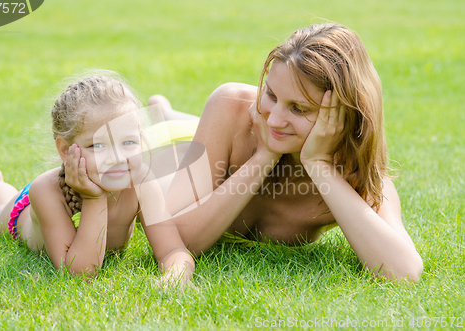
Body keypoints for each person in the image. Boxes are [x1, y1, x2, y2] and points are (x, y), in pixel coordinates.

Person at [161, 23, 423, 282]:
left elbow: (403, 271)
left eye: (298, 109)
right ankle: (164, 112)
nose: (274, 120)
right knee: (165, 148)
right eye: (272, 95)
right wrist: (263, 157)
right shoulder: (232, 107)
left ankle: (167, 112)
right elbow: (170, 242)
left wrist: (318, 164)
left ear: (345, 115)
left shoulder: (354, 172)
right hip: (185, 149)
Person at [0, 73, 194, 284]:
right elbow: (81, 272)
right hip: (22, 212)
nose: (117, 158)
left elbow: (173, 250)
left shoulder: (141, 180)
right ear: (65, 150)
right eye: (97, 145)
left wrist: (175, 277)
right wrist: (94, 198)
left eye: (128, 142)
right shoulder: (45, 191)